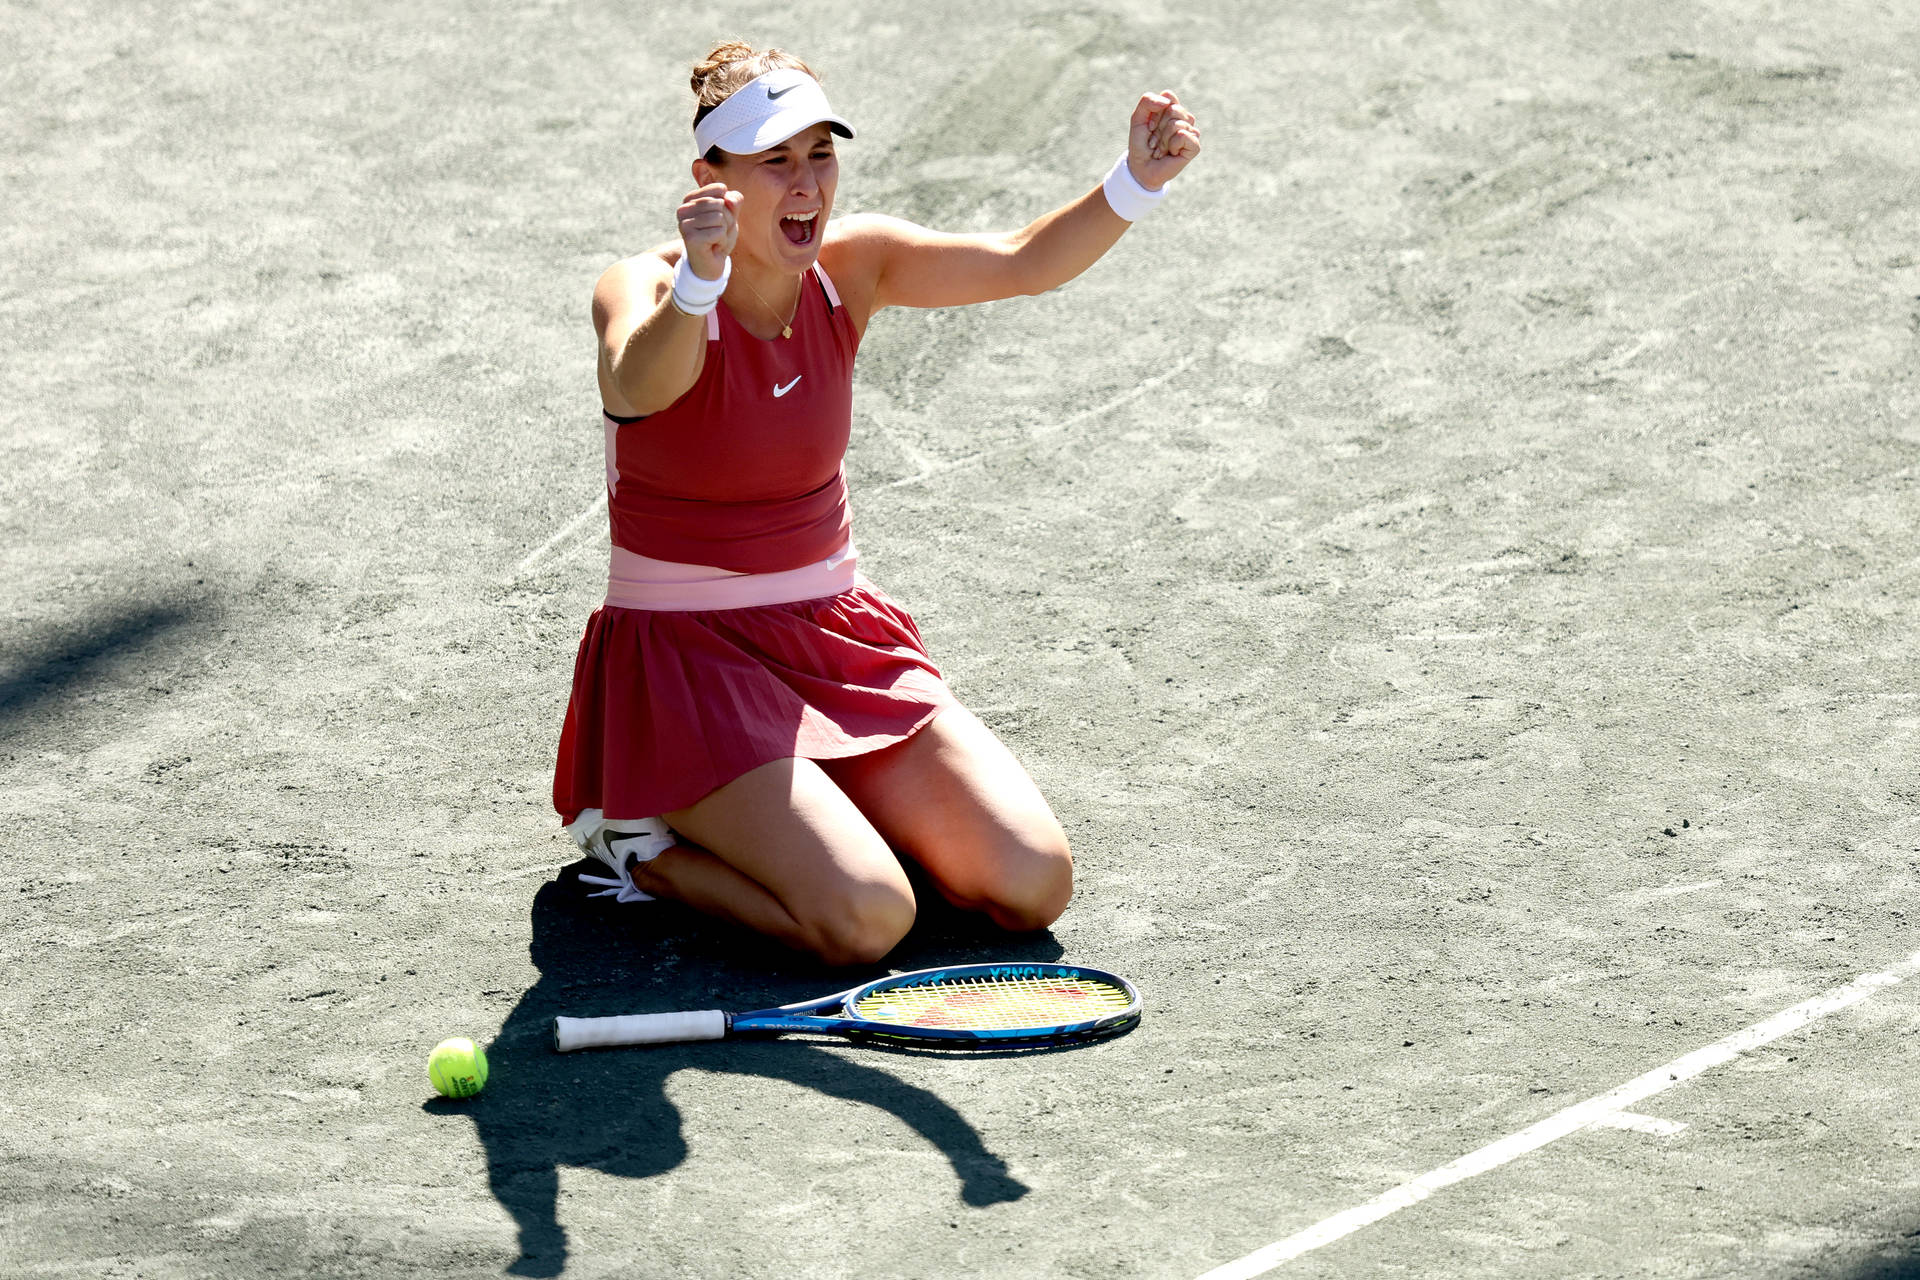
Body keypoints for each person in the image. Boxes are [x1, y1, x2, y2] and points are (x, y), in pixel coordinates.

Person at [553, 40, 1201, 966]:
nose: (807, 182)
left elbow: (1020, 260)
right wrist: (700, 286)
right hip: (687, 671)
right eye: (775, 161)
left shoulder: (856, 267)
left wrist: (1135, 181)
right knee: (866, 919)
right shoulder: (645, 285)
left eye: (820, 153)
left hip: (830, 639)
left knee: (1029, 882)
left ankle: (820, 817)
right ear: (712, 179)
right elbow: (636, 386)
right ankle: (644, 847)